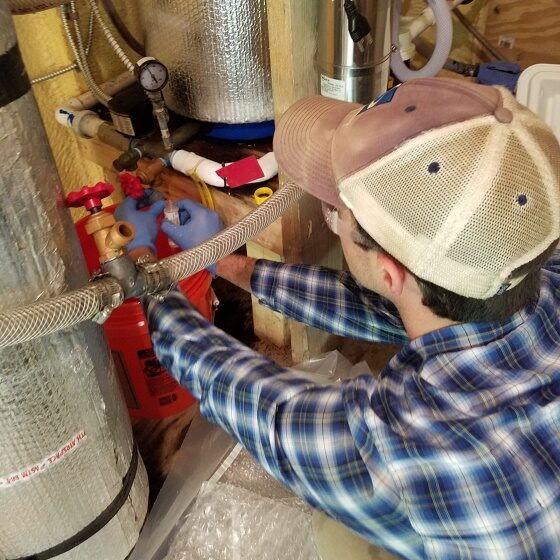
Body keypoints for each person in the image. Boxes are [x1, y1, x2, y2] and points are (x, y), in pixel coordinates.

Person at [116, 77, 560, 559]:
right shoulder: (522, 271)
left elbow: (260, 405)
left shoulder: (421, 449)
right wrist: (224, 262)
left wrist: (146, 269)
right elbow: (390, 308)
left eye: (335, 211)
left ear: (390, 272)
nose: (329, 211)